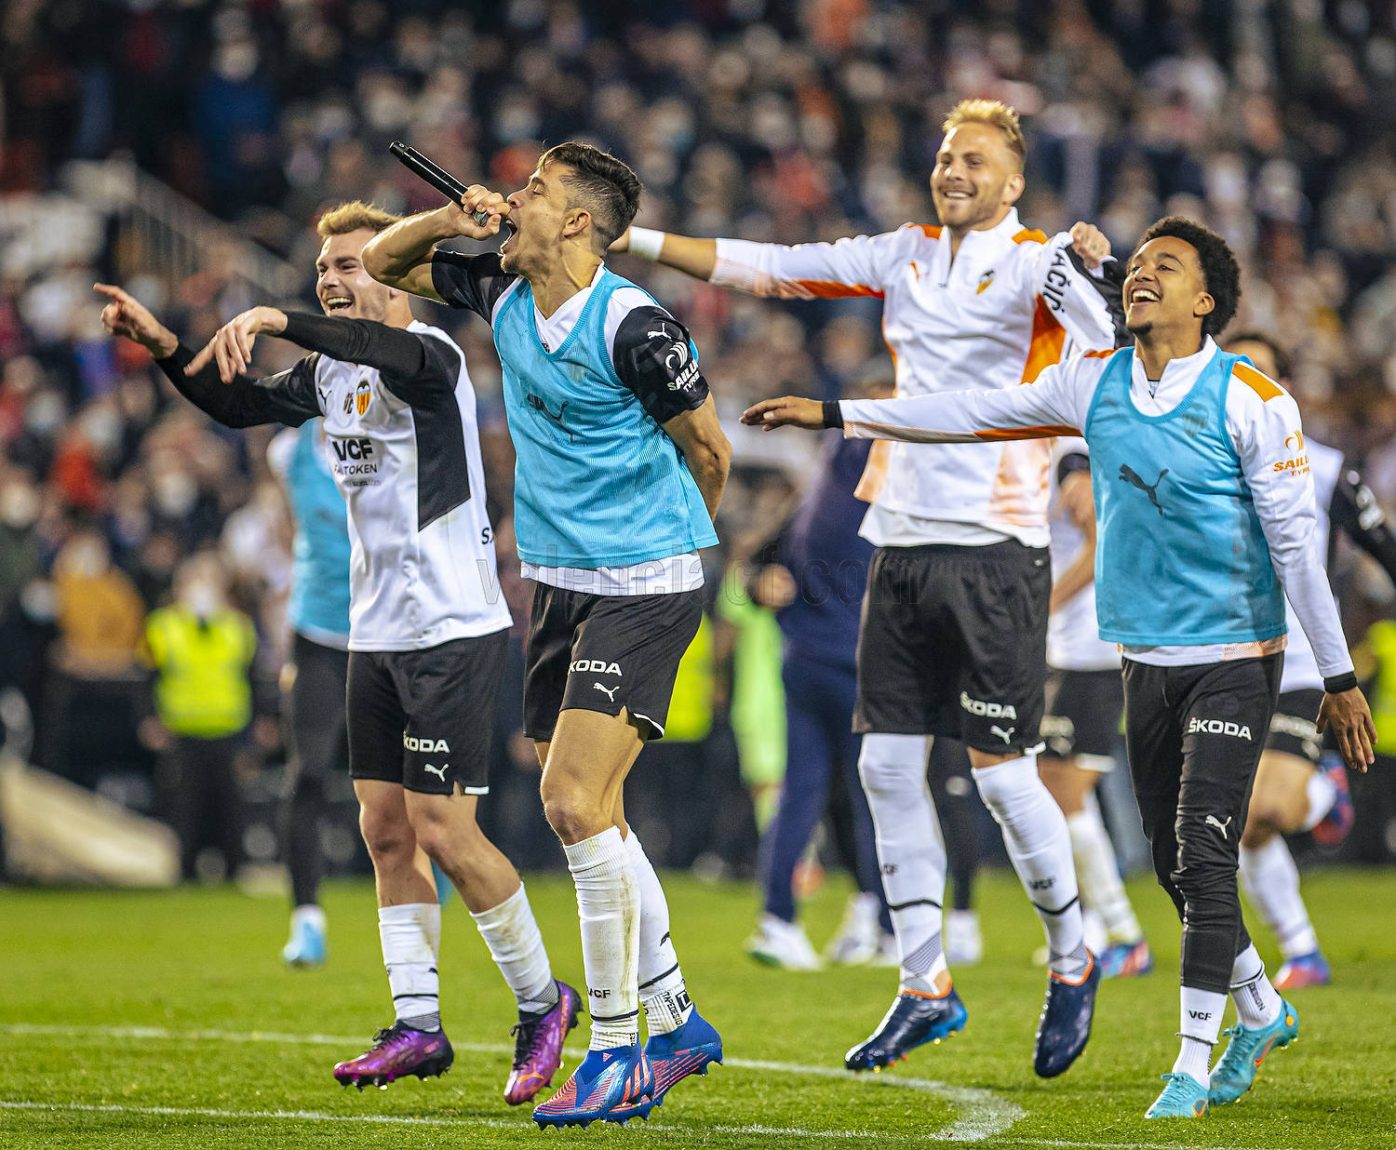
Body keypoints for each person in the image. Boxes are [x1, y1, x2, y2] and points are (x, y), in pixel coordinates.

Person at [740, 215, 1377, 1119]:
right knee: (1170, 860)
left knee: (1201, 850)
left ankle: (1191, 1063)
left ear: (1207, 302)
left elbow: (1296, 549)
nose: (1143, 274)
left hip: (1238, 654)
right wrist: (842, 415)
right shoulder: (1094, 384)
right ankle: (1263, 1007)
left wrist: (1341, 681)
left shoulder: (1252, 398)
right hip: (1142, 656)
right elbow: (968, 413)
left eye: (1168, 266)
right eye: (1140, 263)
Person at [614, 98, 1125, 1077]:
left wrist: (1097, 266)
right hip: (899, 543)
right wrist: (626, 235)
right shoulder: (905, 253)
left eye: (974, 158)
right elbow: (767, 263)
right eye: (944, 156)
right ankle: (923, 983)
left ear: (1014, 183)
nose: (953, 170)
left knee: (1002, 775)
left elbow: (1101, 358)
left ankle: (1073, 958)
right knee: (885, 769)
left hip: (994, 544)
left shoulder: (1040, 262)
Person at [96, 201, 578, 1107]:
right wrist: (166, 345)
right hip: (374, 633)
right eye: (323, 267)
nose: (331, 277)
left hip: (451, 631)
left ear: (393, 275)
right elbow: (234, 402)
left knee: (443, 830)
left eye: (352, 264)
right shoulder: (329, 376)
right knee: (384, 829)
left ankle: (543, 1002)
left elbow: (381, 353)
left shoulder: (429, 356)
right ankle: (418, 1027)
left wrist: (277, 317)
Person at [362, 142, 732, 1127]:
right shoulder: (501, 291)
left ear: (576, 222)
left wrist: (665, 553)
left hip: (645, 580)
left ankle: (615, 1049)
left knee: (570, 800)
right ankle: (679, 1019)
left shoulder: (636, 328)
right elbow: (382, 266)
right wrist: (449, 220)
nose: (513, 197)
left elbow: (710, 450)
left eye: (533, 191)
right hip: (559, 587)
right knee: (590, 808)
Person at [1224, 332, 1396, 989]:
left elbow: (1381, 544)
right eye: (1235, 373)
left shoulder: (1323, 468)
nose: (1246, 386)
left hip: (1298, 665)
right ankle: (1302, 951)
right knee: (1236, 823)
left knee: (1264, 809)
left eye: (1261, 374)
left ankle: (1325, 794)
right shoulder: (1202, 462)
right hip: (1222, 662)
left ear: (1285, 390)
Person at [741, 432, 895, 971]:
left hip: (801, 661)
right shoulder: (885, 501)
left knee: (803, 794)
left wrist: (764, 585)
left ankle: (778, 920)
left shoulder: (811, 499)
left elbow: (754, 571)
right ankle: (886, 927)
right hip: (857, 670)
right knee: (877, 799)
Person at [1039, 437, 1152, 979]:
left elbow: (1101, 539)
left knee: (1062, 788)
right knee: (1056, 788)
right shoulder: (1038, 450)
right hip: (1066, 650)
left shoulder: (1069, 453)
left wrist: (1045, 607)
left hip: (1093, 648)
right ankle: (1097, 927)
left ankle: (1121, 930)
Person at [265, 420, 352, 966]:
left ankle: (432, 881)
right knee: (308, 772)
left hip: (383, 629)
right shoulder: (288, 451)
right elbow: (286, 522)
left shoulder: (388, 433)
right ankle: (307, 919)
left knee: (402, 778)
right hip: (316, 632)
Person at [143, 551, 255, 881]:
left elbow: (249, 679)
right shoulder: (163, 626)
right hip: (183, 732)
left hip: (227, 730)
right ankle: (185, 873)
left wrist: (253, 733)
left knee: (231, 810)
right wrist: (150, 718)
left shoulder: (238, 627)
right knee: (186, 811)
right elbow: (148, 676)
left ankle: (235, 873)